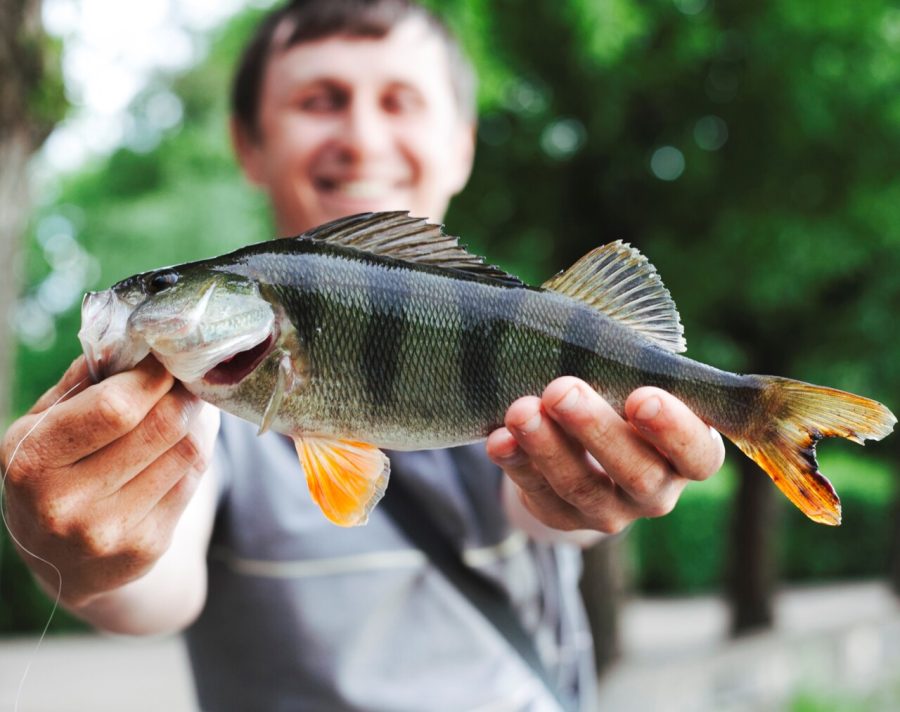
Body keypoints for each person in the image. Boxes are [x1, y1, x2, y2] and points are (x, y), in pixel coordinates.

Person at [0, 1, 725, 709]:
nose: (363, 137)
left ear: (462, 144)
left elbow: (537, 507)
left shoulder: (530, 333)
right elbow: (155, 589)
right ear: (248, 143)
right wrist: (81, 555)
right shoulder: (204, 415)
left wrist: (589, 487)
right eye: (321, 100)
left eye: (401, 100)